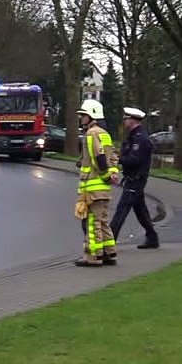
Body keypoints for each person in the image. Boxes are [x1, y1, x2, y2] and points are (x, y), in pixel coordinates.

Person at [75, 98, 120, 267]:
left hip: (93, 186)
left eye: (83, 115)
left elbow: (98, 158)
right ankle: (109, 252)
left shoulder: (91, 134)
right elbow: (112, 155)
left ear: (91, 116)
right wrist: (113, 173)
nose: (81, 119)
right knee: (102, 220)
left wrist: (105, 174)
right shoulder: (104, 133)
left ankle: (93, 256)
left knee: (92, 222)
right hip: (103, 187)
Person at [110, 107, 159, 249]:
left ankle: (109, 241)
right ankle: (152, 238)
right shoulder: (133, 136)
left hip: (136, 179)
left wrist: (118, 159)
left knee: (122, 209)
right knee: (140, 210)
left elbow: (134, 159)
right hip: (133, 178)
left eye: (126, 119)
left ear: (132, 120)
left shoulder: (140, 139)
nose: (124, 121)